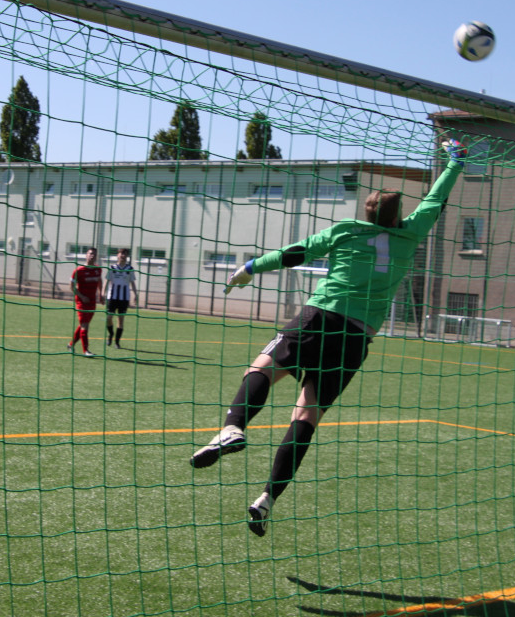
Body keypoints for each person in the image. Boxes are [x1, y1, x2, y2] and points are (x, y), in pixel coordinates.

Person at [191, 140, 467, 537]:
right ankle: (266, 498)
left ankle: (234, 427)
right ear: (400, 216)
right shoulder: (412, 235)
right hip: (356, 339)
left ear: (365, 211)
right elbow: (436, 199)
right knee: (306, 415)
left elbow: (293, 253)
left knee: (261, 369)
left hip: (318, 318)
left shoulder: (345, 231)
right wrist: (455, 161)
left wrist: (249, 267)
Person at [67, 247, 102, 357]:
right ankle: (86, 351)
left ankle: (70, 345)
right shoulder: (78, 270)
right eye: (90, 253)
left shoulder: (98, 269)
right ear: (86, 255)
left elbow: (99, 280)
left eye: (94, 254)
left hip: (92, 301)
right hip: (81, 302)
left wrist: (101, 294)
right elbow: (71, 287)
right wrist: (82, 297)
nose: (92, 256)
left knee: (83, 325)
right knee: (85, 325)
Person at [102, 248, 137, 349]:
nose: (123, 255)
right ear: (117, 255)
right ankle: (111, 334)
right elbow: (106, 281)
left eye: (125, 254)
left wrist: (135, 294)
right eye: (121, 253)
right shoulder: (112, 267)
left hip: (124, 298)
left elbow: (132, 282)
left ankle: (117, 342)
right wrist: (102, 293)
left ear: (127, 256)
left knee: (120, 320)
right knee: (109, 318)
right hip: (112, 297)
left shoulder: (130, 269)